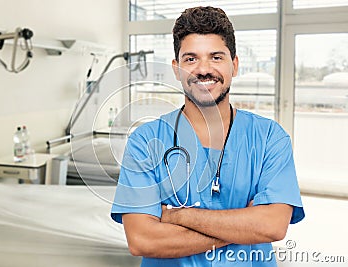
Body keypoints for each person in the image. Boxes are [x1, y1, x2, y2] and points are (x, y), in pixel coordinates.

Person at [111, 6, 304, 266]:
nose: (203, 69)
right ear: (177, 69)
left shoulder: (270, 137)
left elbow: (272, 226)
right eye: (191, 59)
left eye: (216, 57)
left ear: (233, 65)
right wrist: (244, 225)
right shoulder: (145, 141)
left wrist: (178, 217)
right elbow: (143, 241)